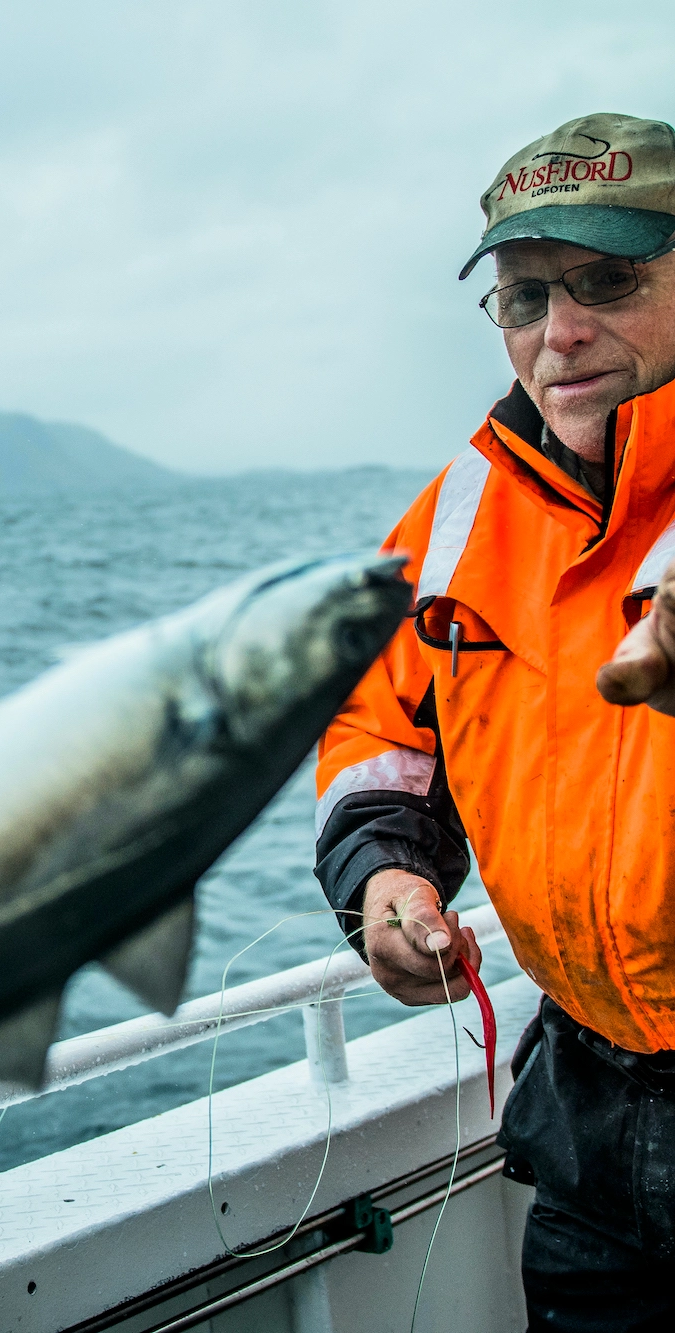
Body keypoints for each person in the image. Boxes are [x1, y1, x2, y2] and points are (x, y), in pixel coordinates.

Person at [314, 112, 675, 1330]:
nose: (558, 331)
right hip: (588, 1125)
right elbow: (378, 726)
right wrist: (386, 882)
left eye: (607, 282)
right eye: (524, 297)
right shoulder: (462, 509)